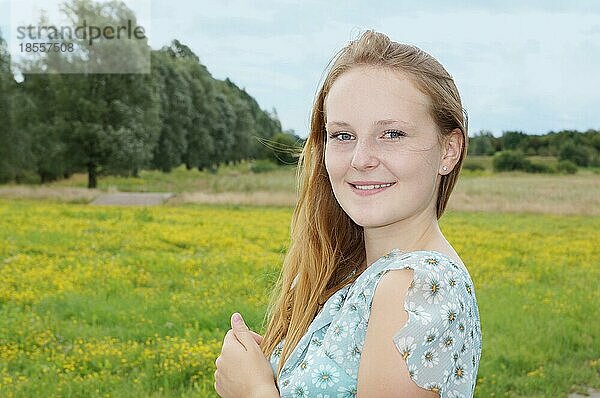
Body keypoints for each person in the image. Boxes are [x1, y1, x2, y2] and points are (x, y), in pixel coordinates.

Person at [214, 29, 482, 398]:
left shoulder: (418, 286)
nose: (361, 160)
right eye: (342, 136)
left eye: (391, 134)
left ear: (449, 150)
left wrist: (254, 391)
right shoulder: (360, 274)